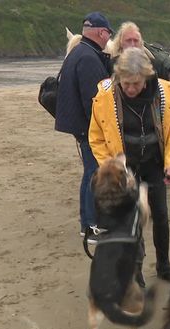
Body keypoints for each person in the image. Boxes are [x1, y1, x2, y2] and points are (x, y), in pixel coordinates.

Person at [88, 47, 170, 283]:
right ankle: (136, 271)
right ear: (118, 77)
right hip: (125, 171)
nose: (130, 88)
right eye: (126, 83)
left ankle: (164, 265)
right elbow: (96, 138)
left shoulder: (164, 92)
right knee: (132, 221)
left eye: (136, 83)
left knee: (161, 216)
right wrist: (111, 166)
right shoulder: (104, 97)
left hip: (155, 164)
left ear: (147, 77)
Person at [54, 12, 113, 242]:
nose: (109, 38)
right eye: (108, 33)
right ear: (101, 32)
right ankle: (91, 226)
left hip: (79, 125)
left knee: (90, 173)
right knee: (94, 174)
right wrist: (104, 130)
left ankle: (86, 224)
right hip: (89, 128)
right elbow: (97, 100)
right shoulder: (88, 58)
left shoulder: (79, 52)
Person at [108, 22, 170, 172]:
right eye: (128, 40)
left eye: (136, 40)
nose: (132, 44)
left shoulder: (155, 67)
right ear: (120, 42)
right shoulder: (110, 72)